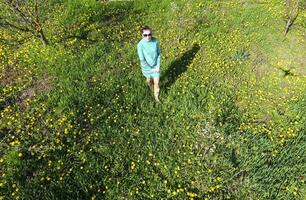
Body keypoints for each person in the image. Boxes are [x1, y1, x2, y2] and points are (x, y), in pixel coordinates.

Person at [137, 25, 161, 102]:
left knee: (156, 83)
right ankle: (149, 86)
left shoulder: (155, 41)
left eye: (149, 34)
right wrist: (151, 69)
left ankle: (156, 98)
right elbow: (142, 60)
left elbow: (159, 54)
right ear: (142, 35)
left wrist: (157, 66)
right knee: (148, 80)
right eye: (145, 35)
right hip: (146, 67)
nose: (148, 37)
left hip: (155, 66)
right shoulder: (140, 45)